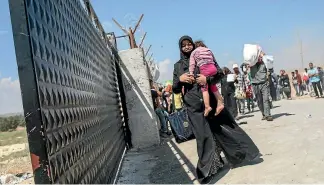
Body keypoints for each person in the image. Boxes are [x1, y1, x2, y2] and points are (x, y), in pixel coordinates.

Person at [173, 36, 260, 183]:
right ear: (180, 48)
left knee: (226, 128)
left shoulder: (203, 56)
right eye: (184, 45)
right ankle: (207, 171)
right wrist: (180, 80)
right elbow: (175, 89)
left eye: (189, 44)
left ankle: (243, 155)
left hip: (212, 102)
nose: (187, 47)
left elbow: (219, 74)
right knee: (203, 137)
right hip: (194, 106)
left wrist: (206, 80)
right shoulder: (177, 66)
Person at [189, 41, 224, 116]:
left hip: (205, 69)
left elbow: (192, 64)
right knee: (213, 85)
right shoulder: (208, 50)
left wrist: (191, 73)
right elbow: (214, 60)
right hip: (213, 68)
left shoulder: (194, 52)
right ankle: (220, 103)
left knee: (204, 88)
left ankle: (207, 106)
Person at [244, 46, 273, 121]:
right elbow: (244, 67)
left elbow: (270, 67)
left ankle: (268, 115)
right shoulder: (251, 63)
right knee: (259, 100)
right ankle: (263, 114)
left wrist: (264, 56)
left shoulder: (265, 62)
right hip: (254, 84)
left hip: (264, 83)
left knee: (265, 99)